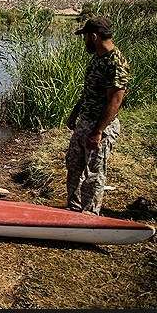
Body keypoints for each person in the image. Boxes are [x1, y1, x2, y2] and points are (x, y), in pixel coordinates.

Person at [65, 17, 129, 215]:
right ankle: (73, 208)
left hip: (100, 127)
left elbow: (115, 101)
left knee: (94, 172)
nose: (84, 41)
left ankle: (89, 216)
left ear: (94, 36)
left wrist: (98, 131)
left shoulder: (116, 62)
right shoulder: (97, 58)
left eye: (85, 37)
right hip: (85, 121)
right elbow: (88, 92)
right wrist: (75, 114)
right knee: (74, 164)